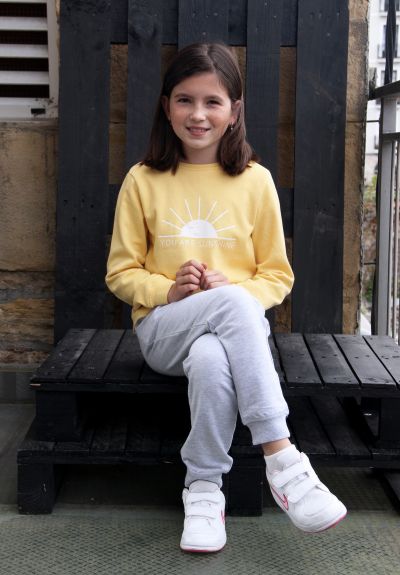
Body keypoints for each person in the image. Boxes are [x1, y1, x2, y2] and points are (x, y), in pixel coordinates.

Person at [105, 42, 347, 553]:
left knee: (213, 356)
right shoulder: (143, 179)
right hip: (163, 332)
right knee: (232, 306)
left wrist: (232, 292)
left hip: (234, 339)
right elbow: (121, 273)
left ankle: (203, 488)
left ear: (234, 111)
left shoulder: (256, 181)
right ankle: (281, 457)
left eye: (212, 102)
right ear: (166, 106)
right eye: (185, 100)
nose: (198, 115)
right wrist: (169, 289)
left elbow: (276, 277)